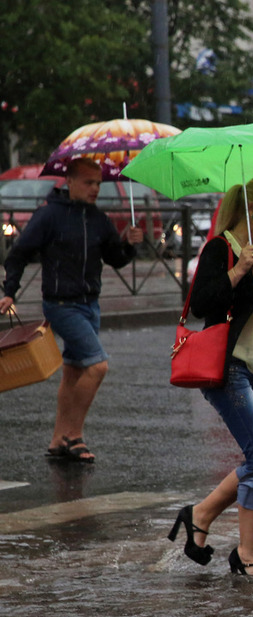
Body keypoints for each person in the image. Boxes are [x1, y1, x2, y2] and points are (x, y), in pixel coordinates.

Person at [166, 176, 253, 576]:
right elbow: (203, 304)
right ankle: (248, 553)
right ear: (251, 210)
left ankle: (200, 514)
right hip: (227, 369)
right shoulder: (221, 249)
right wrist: (237, 271)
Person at [0, 157, 143, 463]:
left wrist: (129, 244)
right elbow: (18, 254)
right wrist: (9, 291)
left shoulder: (98, 219)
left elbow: (115, 259)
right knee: (97, 366)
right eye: (89, 183)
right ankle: (73, 436)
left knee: (74, 371)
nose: (95, 189)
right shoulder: (49, 216)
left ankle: (57, 439)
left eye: (98, 184)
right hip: (61, 305)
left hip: (91, 305)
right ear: (70, 181)